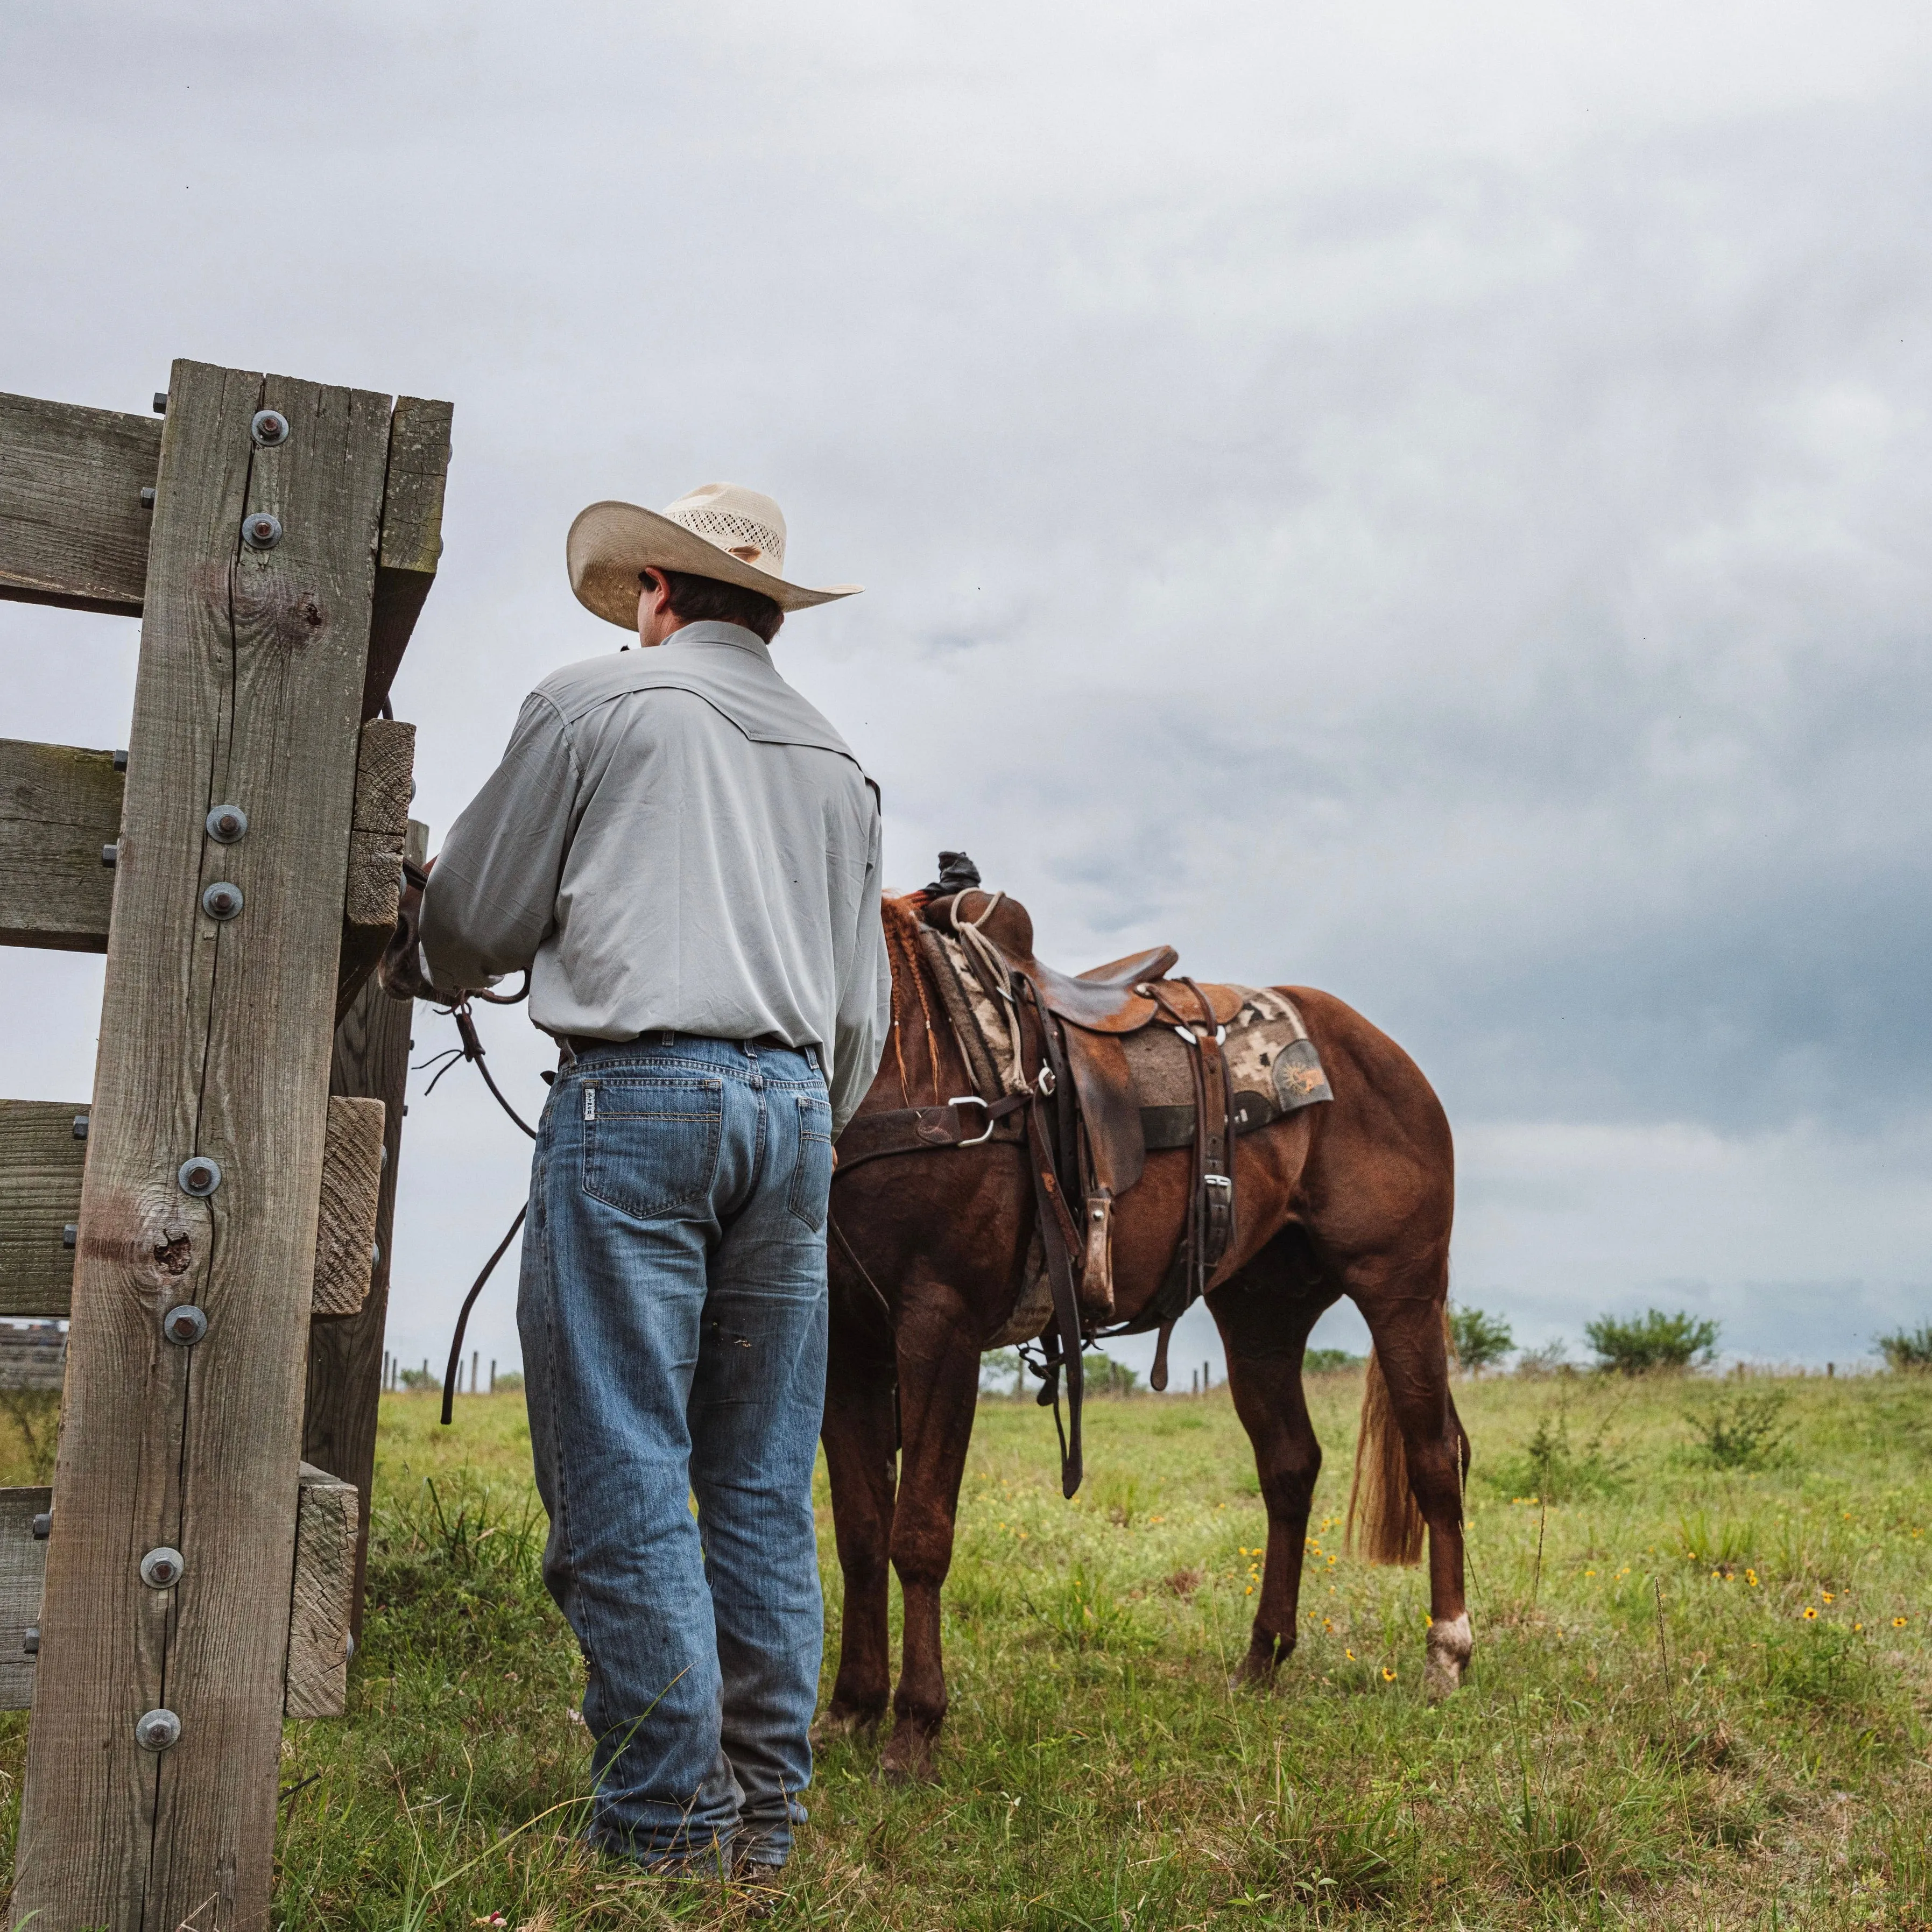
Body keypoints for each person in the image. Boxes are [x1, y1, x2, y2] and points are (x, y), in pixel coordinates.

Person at [413, 483, 891, 1878]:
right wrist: (793, 1118)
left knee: (622, 1465)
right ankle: (763, 1826)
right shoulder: (837, 761)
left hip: (637, 1104)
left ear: (655, 594)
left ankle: (668, 1830)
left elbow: (470, 926)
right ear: (767, 606)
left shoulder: (593, 707)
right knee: (752, 1485)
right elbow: (856, 1017)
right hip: (799, 1116)